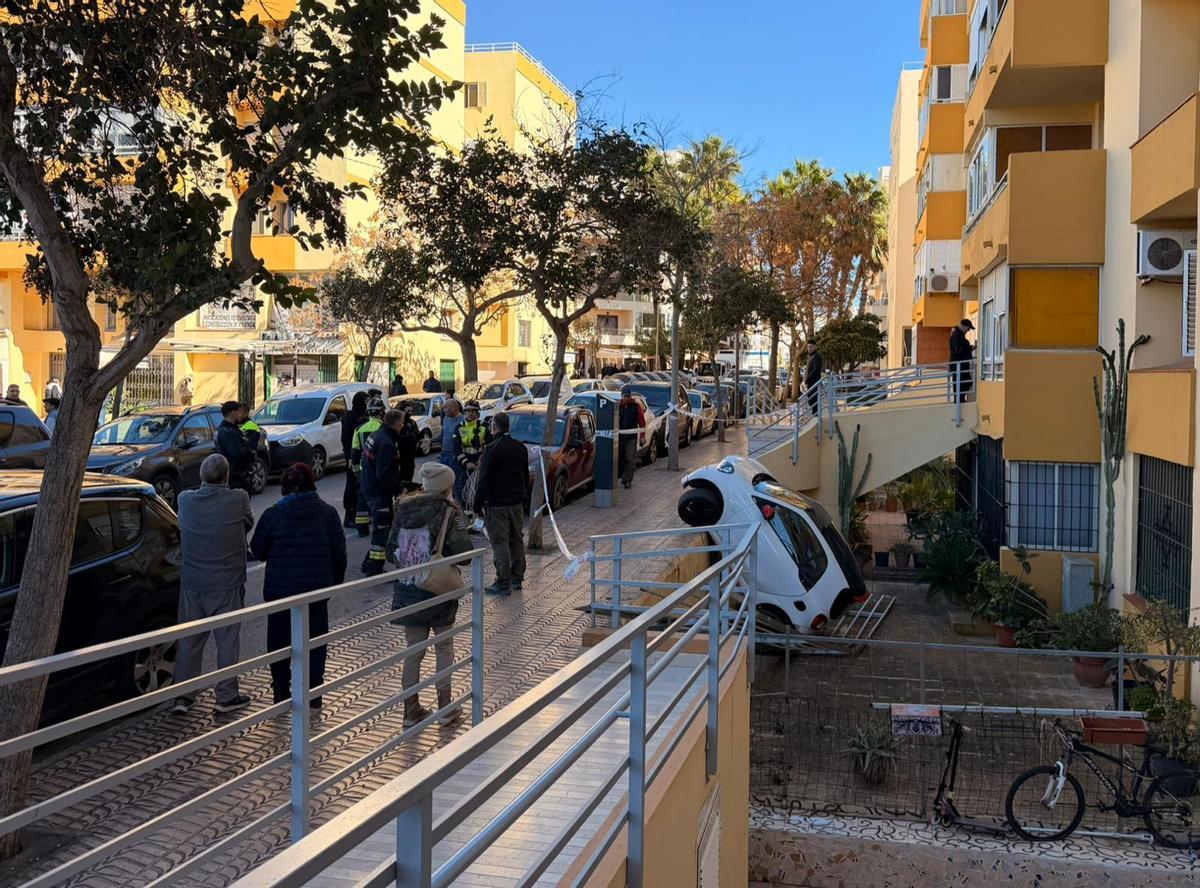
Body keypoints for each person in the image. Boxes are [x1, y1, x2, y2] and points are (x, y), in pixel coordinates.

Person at [250, 463, 346, 709]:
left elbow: (258, 550)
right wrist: (332, 585)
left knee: (279, 643)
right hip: (316, 592)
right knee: (315, 643)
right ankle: (314, 693)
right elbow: (339, 554)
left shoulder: (273, 514)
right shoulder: (328, 513)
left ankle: (281, 690)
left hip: (280, 594)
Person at [388, 462, 473, 726]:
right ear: (447, 486)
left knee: (413, 651)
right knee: (444, 647)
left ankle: (410, 709)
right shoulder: (450, 512)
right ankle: (445, 708)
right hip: (438, 591)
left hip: (408, 588)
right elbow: (465, 554)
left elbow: (390, 550)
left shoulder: (403, 508)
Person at [172, 454, 254, 715]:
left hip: (193, 583)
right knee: (227, 642)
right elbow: (248, 523)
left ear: (200, 476)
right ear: (226, 476)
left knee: (189, 641)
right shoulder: (238, 499)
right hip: (227, 583)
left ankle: (183, 696)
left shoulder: (185, 500)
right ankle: (226, 696)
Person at [472, 411, 529, 596]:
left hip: (497, 504)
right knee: (516, 539)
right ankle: (517, 578)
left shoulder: (491, 449)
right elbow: (525, 475)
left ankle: (503, 582)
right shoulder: (520, 447)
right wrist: (523, 497)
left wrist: (476, 506)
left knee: (500, 541)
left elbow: (483, 480)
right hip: (516, 502)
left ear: (494, 427)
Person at [361, 409, 411, 575]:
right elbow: (383, 473)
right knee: (382, 530)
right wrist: (400, 488)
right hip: (378, 492)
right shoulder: (386, 443)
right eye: (402, 422)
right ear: (396, 423)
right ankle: (374, 569)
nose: (403, 425)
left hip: (370, 487)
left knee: (382, 526)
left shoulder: (377, 434)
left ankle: (368, 562)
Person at [350, 397, 385, 537]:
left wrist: (356, 470)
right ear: (381, 412)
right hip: (379, 469)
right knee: (380, 498)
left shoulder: (359, 429)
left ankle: (362, 528)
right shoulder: (384, 428)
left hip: (363, 470)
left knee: (362, 498)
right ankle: (380, 526)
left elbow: (355, 452)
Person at [454, 400, 491, 513]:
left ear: (477, 413)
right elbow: (456, 448)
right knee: (466, 489)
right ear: (464, 412)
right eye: (468, 411)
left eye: (474, 411)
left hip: (480, 464)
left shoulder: (485, 426)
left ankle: (481, 511)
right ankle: (468, 513)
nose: (471, 413)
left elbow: (490, 446)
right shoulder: (459, 427)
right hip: (466, 465)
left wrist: (482, 460)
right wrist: (466, 463)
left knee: (481, 488)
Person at [214, 400, 257, 495]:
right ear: (233, 413)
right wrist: (250, 448)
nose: (240, 416)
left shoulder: (224, 429)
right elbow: (238, 455)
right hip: (235, 478)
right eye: (239, 412)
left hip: (232, 476)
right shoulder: (228, 432)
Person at [340, 391, 369, 528]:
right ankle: (349, 516)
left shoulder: (364, 416)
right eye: (366, 401)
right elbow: (346, 439)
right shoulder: (350, 417)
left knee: (361, 486)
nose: (367, 404)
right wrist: (350, 458)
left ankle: (359, 514)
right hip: (352, 457)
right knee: (351, 486)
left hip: (363, 457)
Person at [618, 387, 646, 490]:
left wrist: (642, 436)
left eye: (628, 396)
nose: (626, 398)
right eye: (625, 396)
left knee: (630, 458)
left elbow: (642, 422)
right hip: (620, 437)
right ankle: (623, 476)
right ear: (622, 397)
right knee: (620, 458)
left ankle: (628, 480)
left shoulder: (636, 406)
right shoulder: (617, 406)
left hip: (631, 437)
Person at [439, 398, 467, 503]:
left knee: (456, 482)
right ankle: (445, 503)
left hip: (455, 456)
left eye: (446, 408)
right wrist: (430, 441)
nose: (443, 410)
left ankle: (460, 505)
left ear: (454, 408)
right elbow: (442, 436)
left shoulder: (463, 421)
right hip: (444, 455)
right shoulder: (446, 419)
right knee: (442, 480)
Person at [949, 318, 976, 404]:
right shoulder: (956, 335)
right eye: (968, 329)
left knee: (965, 382)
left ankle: (960, 400)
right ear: (963, 326)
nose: (968, 331)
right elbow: (958, 350)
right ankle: (959, 401)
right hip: (958, 365)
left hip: (961, 365)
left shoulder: (958, 334)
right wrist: (970, 348)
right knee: (961, 384)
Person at [804, 341, 824, 415]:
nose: (809, 348)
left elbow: (816, 369)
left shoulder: (816, 356)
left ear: (815, 347)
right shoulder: (810, 357)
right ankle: (815, 416)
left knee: (814, 402)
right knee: (811, 402)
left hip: (814, 383)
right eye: (808, 347)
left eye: (811, 347)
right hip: (810, 383)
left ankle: (816, 417)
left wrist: (808, 378)